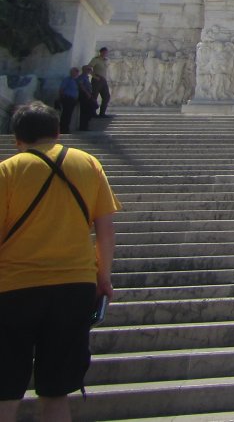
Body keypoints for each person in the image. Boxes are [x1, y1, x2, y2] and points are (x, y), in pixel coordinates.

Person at [0, 101, 121, 421]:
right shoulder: (88, 163)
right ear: (57, 132)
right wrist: (103, 277)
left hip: (14, 288)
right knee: (56, 393)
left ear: (17, 139)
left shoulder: (7, 170)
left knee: (5, 392)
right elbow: (106, 230)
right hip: (75, 287)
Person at [88, 47, 112, 118]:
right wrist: (94, 76)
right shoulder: (96, 59)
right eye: (104, 52)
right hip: (97, 80)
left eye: (106, 53)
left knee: (106, 97)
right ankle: (93, 113)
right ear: (101, 52)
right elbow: (88, 68)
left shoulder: (106, 60)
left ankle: (102, 113)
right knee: (94, 96)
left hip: (104, 80)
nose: (105, 54)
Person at [57, 68, 80, 134]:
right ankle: (63, 129)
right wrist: (61, 97)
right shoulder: (67, 79)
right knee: (66, 114)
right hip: (67, 98)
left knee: (69, 114)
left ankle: (66, 128)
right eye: (75, 72)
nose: (76, 73)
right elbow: (61, 89)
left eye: (77, 72)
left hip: (73, 99)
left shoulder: (76, 81)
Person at [75, 66, 96, 132]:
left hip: (88, 94)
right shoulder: (82, 77)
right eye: (88, 69)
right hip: (84, 95)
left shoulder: (86, 77)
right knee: (85, 111)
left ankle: (85, 125)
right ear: (84, 70)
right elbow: (81, 86)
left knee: (91, 108)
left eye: (90, 69)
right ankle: (83, 126)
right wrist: (87, 93)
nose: (90, 71)